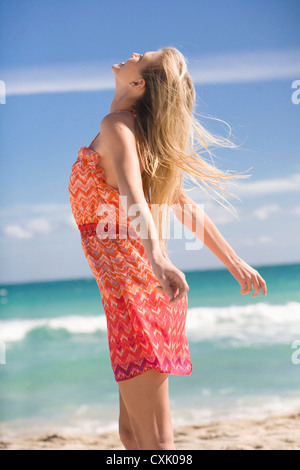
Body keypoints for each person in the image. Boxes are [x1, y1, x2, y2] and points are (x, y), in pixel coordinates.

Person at [68, 47, 267, 450]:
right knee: (131, 435)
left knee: (155, 441)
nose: (134, 52)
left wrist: (158, 255)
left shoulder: (118, 127)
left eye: (143, 57)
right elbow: (182, 205)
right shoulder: (134, 133)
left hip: (139, 287)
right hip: (129, 290)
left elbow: (133, 196)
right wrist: (234, 261)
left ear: (138, 84)